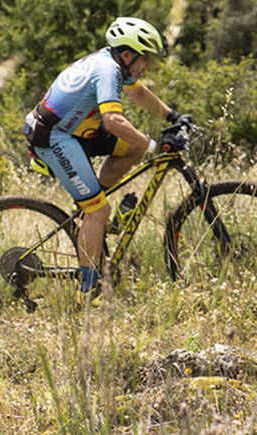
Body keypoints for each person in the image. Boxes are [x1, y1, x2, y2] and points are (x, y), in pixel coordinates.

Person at [23, 17, 188, 296]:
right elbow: (112, 121)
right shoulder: (107, 71)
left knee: (131, 149)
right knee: (98, 210)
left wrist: (172, 115)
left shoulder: (114, 63)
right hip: (53, 137)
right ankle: (89, 290)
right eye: (146, 59)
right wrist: (152, 145)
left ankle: (92, 203)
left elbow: (139, 93)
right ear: (127, 54)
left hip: (75, 131)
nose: (148, 66)